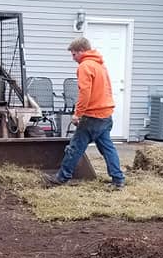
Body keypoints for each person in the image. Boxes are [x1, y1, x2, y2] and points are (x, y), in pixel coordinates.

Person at [47, 37, 126, 189]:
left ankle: (62, 177)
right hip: (106, 114)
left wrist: (78, 114)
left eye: (74, 54)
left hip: (92, 116)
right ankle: (118, 180)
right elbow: (108, 88)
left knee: (75, 147)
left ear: (82, 51)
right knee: (108, 148)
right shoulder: (100, 65)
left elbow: (85, 92)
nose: (73, 58)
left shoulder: (85, 66)